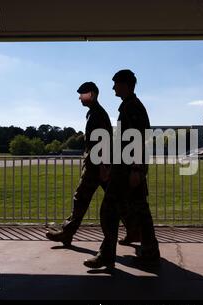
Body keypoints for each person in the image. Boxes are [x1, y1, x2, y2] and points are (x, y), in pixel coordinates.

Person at [83, 70, 160, 269]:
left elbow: (139, 139)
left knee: (109, 210)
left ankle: (107, 256)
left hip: (128, 169)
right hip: (126, 168)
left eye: (116, 83)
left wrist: (135, 169)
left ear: (126, 85)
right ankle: (150, 252)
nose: (113, 87)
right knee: (141, 211)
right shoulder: (130, 106)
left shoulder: (132, 107)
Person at [46, 82, 138, 246]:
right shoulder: (95, 113)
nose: (80, 98)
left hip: (97, 166)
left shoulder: (97, 114)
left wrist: (103, 165)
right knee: (117, 200)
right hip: (98, 164)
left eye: (83, 94)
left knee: (80, 198)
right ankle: (133, 230)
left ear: (92, 95)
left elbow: (103, 141)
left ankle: (67, 233)